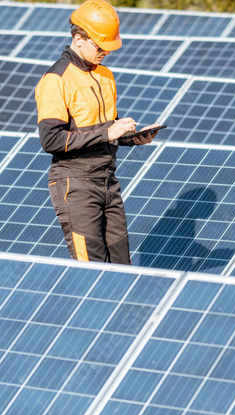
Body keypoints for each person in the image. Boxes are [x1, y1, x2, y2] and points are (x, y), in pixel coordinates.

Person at [34, 0, 161, 264]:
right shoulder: (55, 80)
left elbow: (107, 129)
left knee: (121, 266)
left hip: (108, 181)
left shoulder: (106, 76)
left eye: (108, 46)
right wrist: (107, 133)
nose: (105, 52)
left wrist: (133, 138)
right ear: (79, 38)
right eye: (100, 45)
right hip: (75, 184)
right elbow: (51, 140)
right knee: (93, 273)